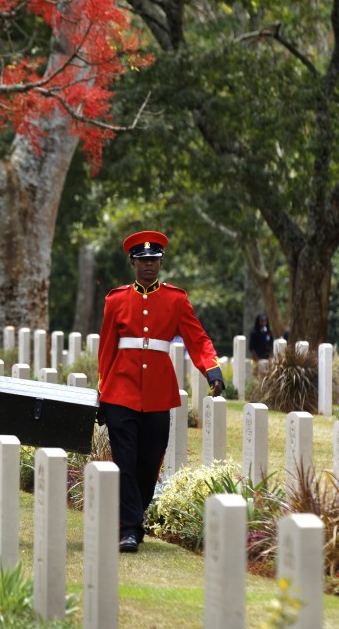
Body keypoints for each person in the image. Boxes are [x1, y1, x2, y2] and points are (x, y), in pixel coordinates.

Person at [97, 230, 225, 553]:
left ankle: (134, 518)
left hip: (157, 394)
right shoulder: (115, 300)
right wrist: (102, 393)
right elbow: (106, 351)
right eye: (143, 261)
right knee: (124, 461)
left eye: (154, 260)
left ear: (160, 262)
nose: (149, 266)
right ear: (133, 263)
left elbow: (198, 339)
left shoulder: (176, 300)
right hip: (120, 393)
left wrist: (212, 371)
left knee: (149, 461)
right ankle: (127, 528)